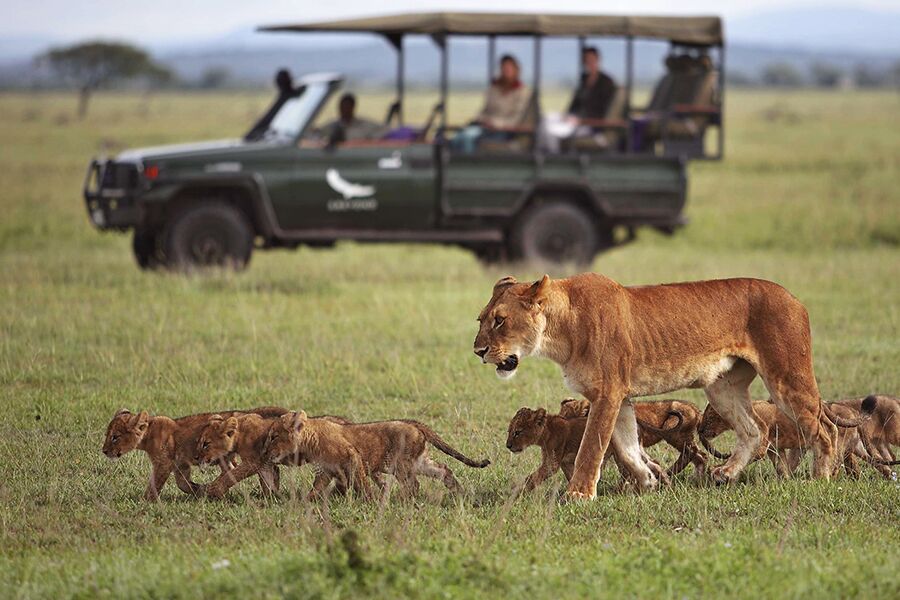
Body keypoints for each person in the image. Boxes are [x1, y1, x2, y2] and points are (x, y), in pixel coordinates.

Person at [452, 54, 531, 154]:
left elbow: (517, 118)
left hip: (505, 130)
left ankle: (469, 165)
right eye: (504, 67)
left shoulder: (522, 92)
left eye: (509, 68)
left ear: (516, 70)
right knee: (457, 138)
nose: (506, 70)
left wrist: (495, 123)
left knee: (467, 138)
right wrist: (481, 119)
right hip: (485, 126)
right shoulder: (494, 89)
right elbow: (484, 110)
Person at [567, 47, 616, 123]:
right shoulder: (583, 79)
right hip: (576, 119)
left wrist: (582, 120)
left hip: (593, 123)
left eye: (591, 59)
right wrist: (568, 115)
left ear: (598, 59)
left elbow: (605, 108)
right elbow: (575, 102)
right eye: (586, 59)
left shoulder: (606, 82)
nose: (589, 62)